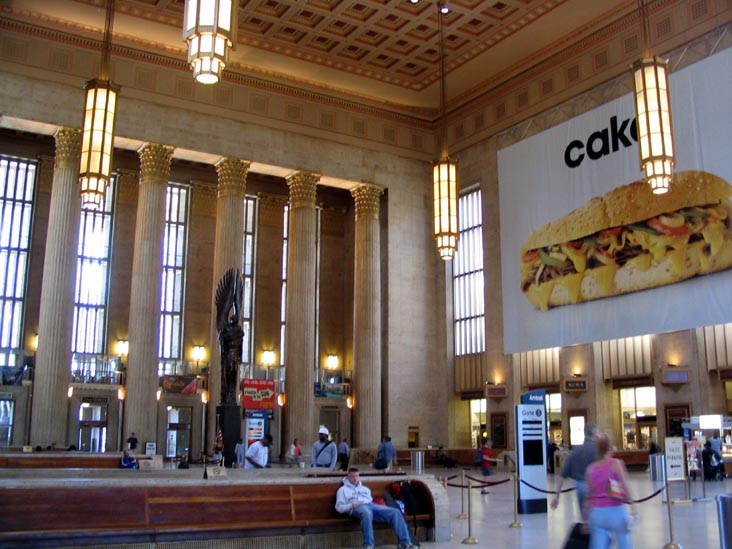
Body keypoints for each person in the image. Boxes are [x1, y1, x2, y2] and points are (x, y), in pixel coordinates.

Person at [335, 468, 420, 549]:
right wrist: (351, 505)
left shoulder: (364, 489)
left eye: (357, 476)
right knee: (367, 514)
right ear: (348, 476)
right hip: (356, 507)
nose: (355, 478)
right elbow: (339, 507)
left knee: (395, 512)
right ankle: (369, 544)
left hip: (370, 505)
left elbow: (370, 500)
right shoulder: (342, 490)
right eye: (353, 476)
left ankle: (405, 542)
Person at [584, 433, 635, 549]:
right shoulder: (616, 464)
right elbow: (625, 486)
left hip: (597, 513)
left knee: (598, 545)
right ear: (610, 448)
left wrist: (586, 519)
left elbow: (589, 496)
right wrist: (633, 506)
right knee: (624, 542)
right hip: (616, 511)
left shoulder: (590, 469)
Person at [550, 423, 600, 516]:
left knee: (585, 517)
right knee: (597, 517)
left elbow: (562, 475)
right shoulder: (599, 450)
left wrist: (556, 497)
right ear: (595, 434)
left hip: (580, 487)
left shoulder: (576, 451)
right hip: (596, 487)